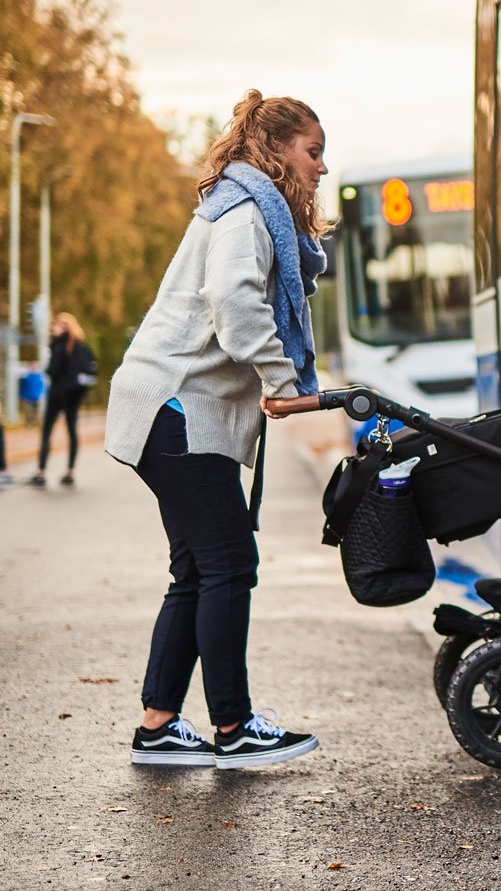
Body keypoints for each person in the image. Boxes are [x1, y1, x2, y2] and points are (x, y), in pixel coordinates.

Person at [104, 89, 329, 768]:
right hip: (175, 413)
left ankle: (159, 726)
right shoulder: (245, 211)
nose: (321, 167)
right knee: (230, 563)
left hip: (167, 410)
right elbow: (233, 304)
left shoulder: (245, 208)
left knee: (199, 569)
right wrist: (283, 383)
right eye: (313, 152)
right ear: (278, 150)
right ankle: (232, 729)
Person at [29, 312, 97, 488]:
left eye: (56, 326)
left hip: (57, 395)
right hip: (73, 397)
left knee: (47, 431)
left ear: (63, 327)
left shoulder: (59, 346)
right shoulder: (82, 348)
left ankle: (41, 471)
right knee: (72, 431)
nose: (53, 329)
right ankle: (70, 471)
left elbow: (53, 370)